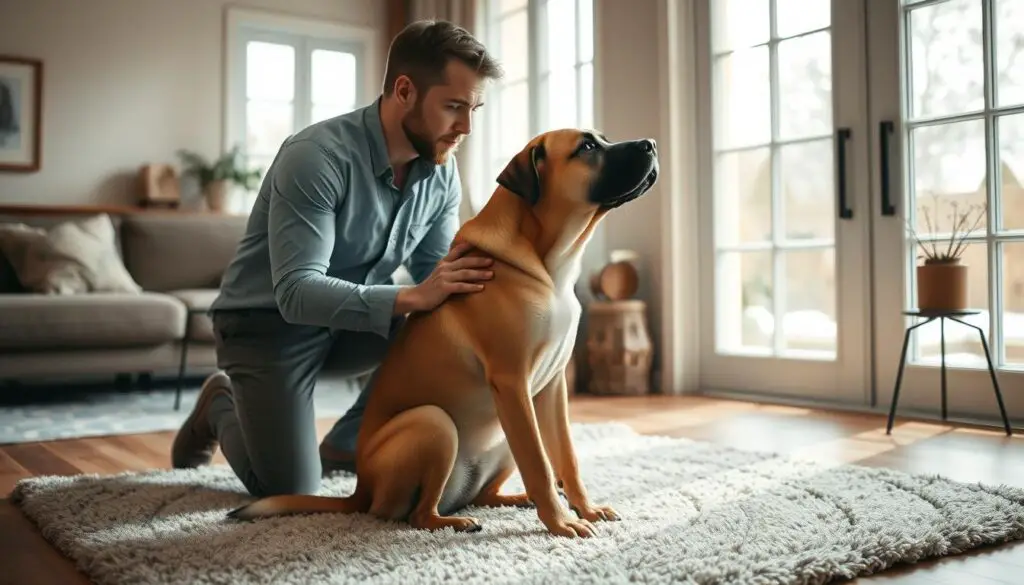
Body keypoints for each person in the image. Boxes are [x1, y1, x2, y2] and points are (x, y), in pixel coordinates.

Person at [171, 19, 504, 498]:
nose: (467, 127)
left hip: (350, 329)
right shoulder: (317, 156)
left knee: (442, 321)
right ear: (404, 91)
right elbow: (296, 292)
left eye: (474, 108)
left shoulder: (441, 172)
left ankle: (347, 442)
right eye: (453, 106)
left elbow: (442, 278)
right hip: (265, 327)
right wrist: (413, 294)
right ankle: (219, 402)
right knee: (290, 490)